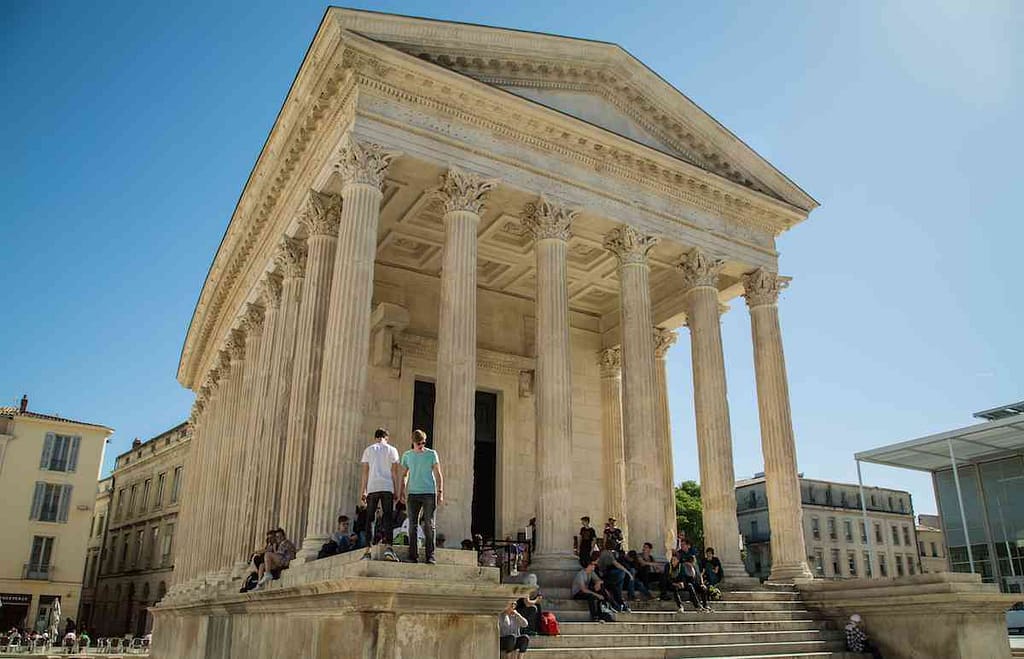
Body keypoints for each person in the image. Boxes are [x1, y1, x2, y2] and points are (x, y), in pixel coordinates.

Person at [398, 429, 444, 564]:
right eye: (419, 443)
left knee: (429, 525)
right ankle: (413, 556)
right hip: (413, 494)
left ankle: (431, 555)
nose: (421, 445)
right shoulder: (407, 455)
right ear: (413, 442)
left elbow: (438, 473)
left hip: (429, 493)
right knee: (412, 525)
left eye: (423, 443)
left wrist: (440, 492)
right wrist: (402, 491)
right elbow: (405, 474)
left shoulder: (431, 454)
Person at [360, 428, 401, 562]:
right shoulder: (392, 450)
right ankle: (389, 548)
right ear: (386, 438)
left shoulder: (368, 450)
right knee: (388, 518)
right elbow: (394, 472)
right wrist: (396, 490)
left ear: (375, 437)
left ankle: (368, 551)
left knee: (370, 519)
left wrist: (364, 490)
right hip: (387, 486)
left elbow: (365, 472)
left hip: (373, 487)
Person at [595, 548, 632, 612]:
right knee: (609, 589)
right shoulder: (595, 567)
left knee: (614, 588)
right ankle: (616, 605)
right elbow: (596, 580)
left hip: (603, 581)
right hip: (599, 584)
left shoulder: (603, 560)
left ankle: (621, 604)